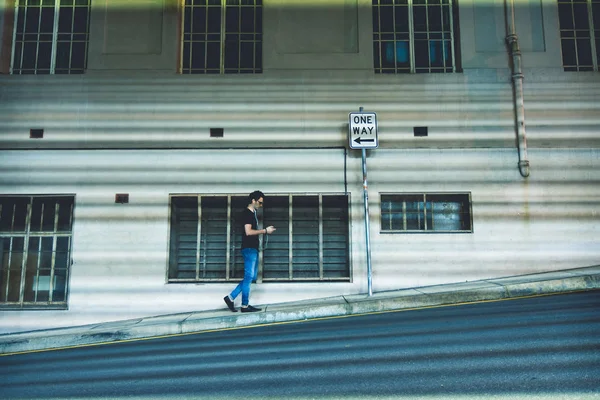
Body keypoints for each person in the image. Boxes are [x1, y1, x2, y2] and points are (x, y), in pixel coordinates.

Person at [224, 190, 275, 313]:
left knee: (250, 277)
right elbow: (248, 232)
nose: (260, 205)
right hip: (249, 249)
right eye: (259, 202)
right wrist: (265, 231)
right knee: (249, 277)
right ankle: (244, 305)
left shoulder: (253, 213)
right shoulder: (247, 213)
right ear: (253, 200)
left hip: (253, 249)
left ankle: (230, 297)